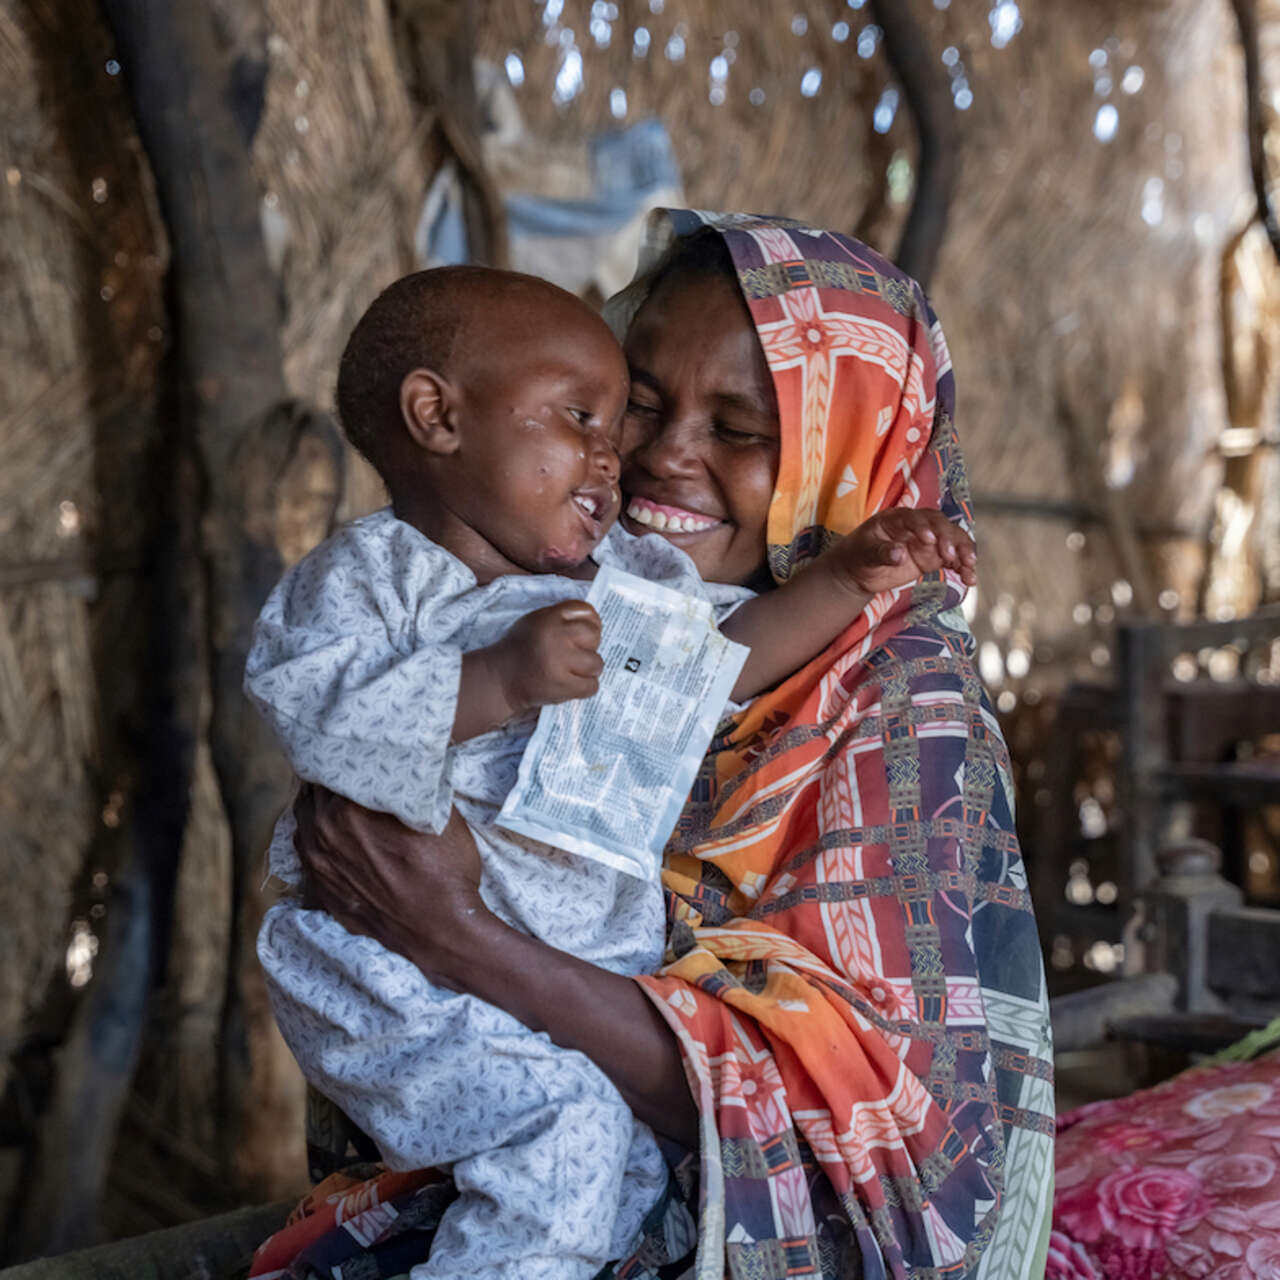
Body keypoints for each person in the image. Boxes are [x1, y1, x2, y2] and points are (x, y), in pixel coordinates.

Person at [248, 213, 1054, 1280]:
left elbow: (883, 1130)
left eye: (738, 427)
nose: (655, 454)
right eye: (634, 404)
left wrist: (460, 931)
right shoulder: (538, 583)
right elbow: (332, 722)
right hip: (454, 1085)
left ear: (840, 447)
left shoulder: (896, 709)